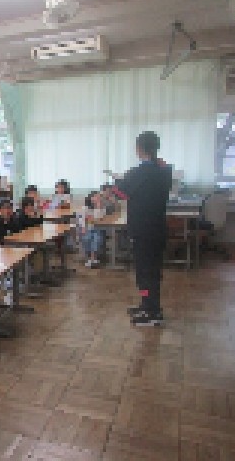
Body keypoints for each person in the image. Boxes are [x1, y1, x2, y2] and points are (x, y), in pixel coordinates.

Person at [114, 131, 172, 326]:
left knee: (144, 272)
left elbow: (120, 193)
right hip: (157, 228)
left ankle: (152, 312)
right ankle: (147, 304)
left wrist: (117, 180)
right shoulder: (164, 170)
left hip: (142, 230)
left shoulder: (138, 172)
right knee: (152, 271)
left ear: (139, 149)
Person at [80, 191, 106, 269]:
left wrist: (98, 207)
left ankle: (93, 258)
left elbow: (98, 218)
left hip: (98, 228)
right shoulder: (85, 208)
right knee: (87, 238)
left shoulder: (102, 208)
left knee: (96, 239)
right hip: (87, 228)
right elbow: (83, 220)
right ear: (90, 198)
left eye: (99, 197)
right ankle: (91, 258)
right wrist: (84, 228)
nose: (98, 198)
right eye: (95, 197)